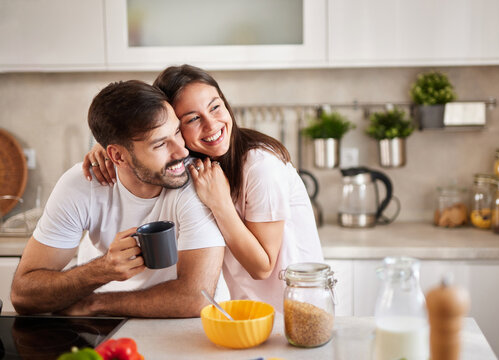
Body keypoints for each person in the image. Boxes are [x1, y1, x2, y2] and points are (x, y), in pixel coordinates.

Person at [84, 65, 324, 312]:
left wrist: (219, 203)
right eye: (193, 119)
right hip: (252, 316)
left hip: (298, 313)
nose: (211, 125)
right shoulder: (195, 165)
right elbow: (140, 135)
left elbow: (262, 267)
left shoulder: (260, 166)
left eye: (215, 107)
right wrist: (108, 149)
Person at [11, 80, 225, 317]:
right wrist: (101, 270)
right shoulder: (82, 185)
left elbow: (195, 298)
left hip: (186, 329)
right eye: (161, 144)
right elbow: (23, 296)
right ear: (117, 156)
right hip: (107, 328)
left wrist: (93, 304)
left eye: (176, 132)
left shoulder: (197, 181)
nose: (182, 152)